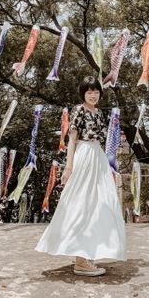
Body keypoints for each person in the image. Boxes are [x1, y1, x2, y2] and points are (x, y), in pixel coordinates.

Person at [35, 76, 126, 276]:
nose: (93, 95)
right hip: (84, 155)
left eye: (96, 92)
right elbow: (72, 139)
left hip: (98, 158)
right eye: (89, 91)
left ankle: (87, 253)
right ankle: (80, 260)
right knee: (82, 203)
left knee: (100, 203)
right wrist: (68, 167)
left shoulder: (100, 113)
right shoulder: (79, 110)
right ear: (83, 93)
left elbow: (104, 141)